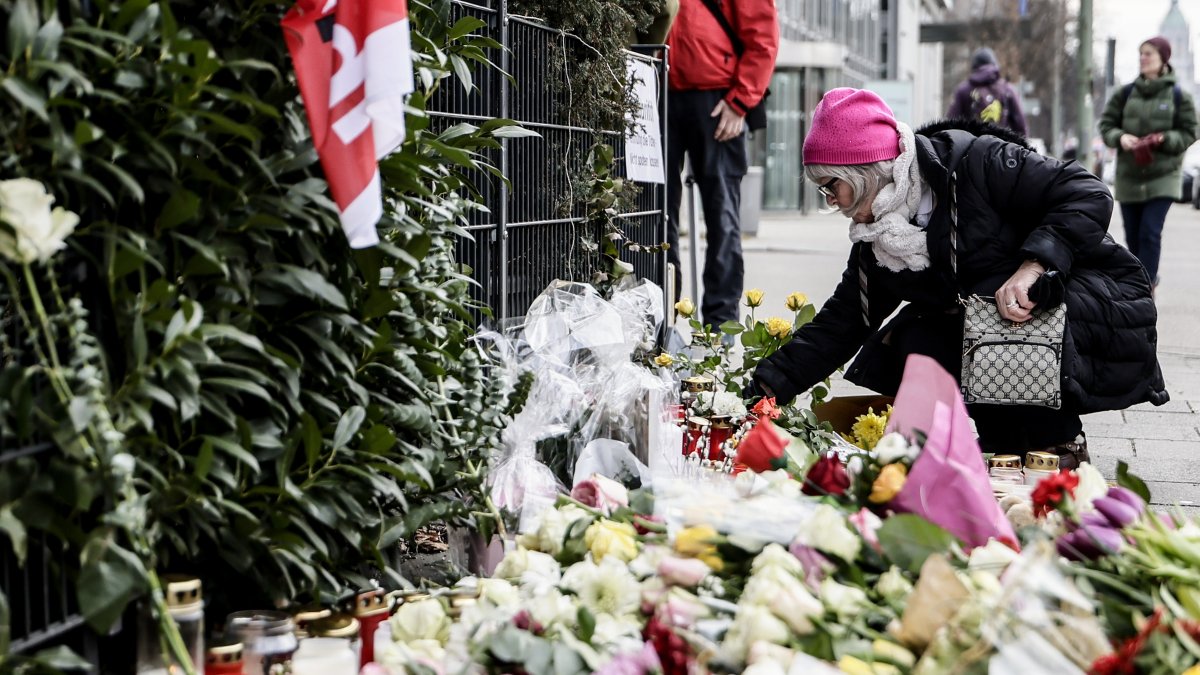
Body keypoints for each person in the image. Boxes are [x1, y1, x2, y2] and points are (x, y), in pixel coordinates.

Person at [750, 88, 1169, 468]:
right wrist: (765, 389)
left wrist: (1032, 267)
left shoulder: (979, 163)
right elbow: (842, 322)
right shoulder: (880, 239)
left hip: (1087, 295)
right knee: (917, 338)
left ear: (864, 173)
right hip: (1000, 321)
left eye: (832, 186)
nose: (831, 201)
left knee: (990, 322)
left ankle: (1056, 446)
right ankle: (996, 454)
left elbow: (1088, 193)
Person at [664, 0, 779, 328]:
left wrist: (741, 101)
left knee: (722, 214)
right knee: (655, 214)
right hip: (659, 88)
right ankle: (658, 313)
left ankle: (721, 323)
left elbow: (762, 38)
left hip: (718, 99)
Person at [1098, 35, 1197, 293]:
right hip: (1130, 175)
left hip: (1163, 176)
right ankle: (1137, 281)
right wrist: (1121, 138)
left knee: (1149, 233)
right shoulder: (1126, 93)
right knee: (1132, 236)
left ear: (1163, 59)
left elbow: (1191, 131)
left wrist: (1165, 138)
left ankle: (1145, 286)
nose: (1143, 58)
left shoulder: (1178, 96)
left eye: (1149, 54)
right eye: (1141, 54)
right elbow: (1107, 126)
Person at [947, 48, 1028, 137]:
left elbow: (951, 123)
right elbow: (1020, 126)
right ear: (995, 65)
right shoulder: (1007, 90)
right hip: (1001, 147)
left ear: (974, 67)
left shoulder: (963, 90)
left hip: (972, 147)